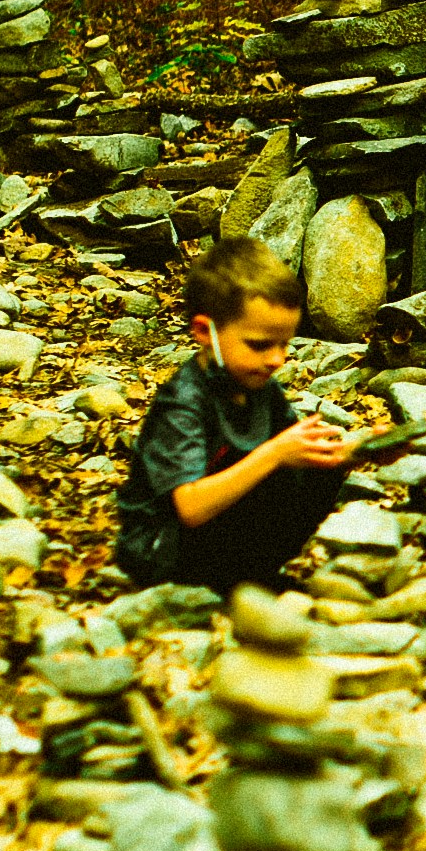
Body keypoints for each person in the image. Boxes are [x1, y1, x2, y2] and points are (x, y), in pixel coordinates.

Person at [113, 236, 356, 592]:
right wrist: (274, 453)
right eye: (259, 345)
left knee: (314, 469)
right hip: (163, 548)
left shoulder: (260, 385)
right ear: (203, 331)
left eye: (285, 344)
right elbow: (190, 508)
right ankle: (225, 581)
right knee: (278, 463)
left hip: (220, 535)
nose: (276, 359)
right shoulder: (184, 402)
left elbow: (299, 454)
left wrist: (359, 452)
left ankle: (250, 573)